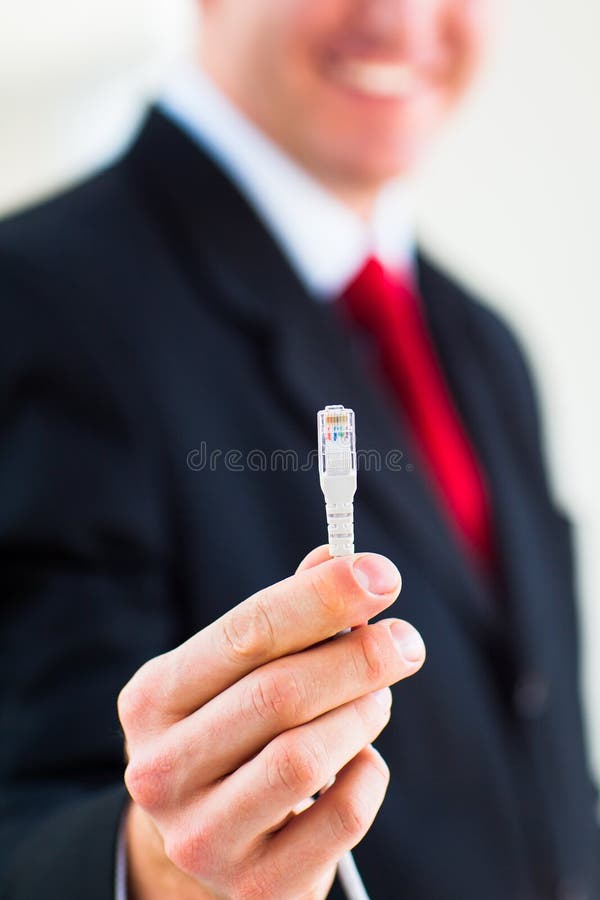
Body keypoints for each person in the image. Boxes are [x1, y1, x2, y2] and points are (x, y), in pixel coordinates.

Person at [0, 1, 598, 898]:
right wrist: (158, 868)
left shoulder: (485, 344)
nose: (403, 18)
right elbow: (29, 818)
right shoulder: (35, 301)